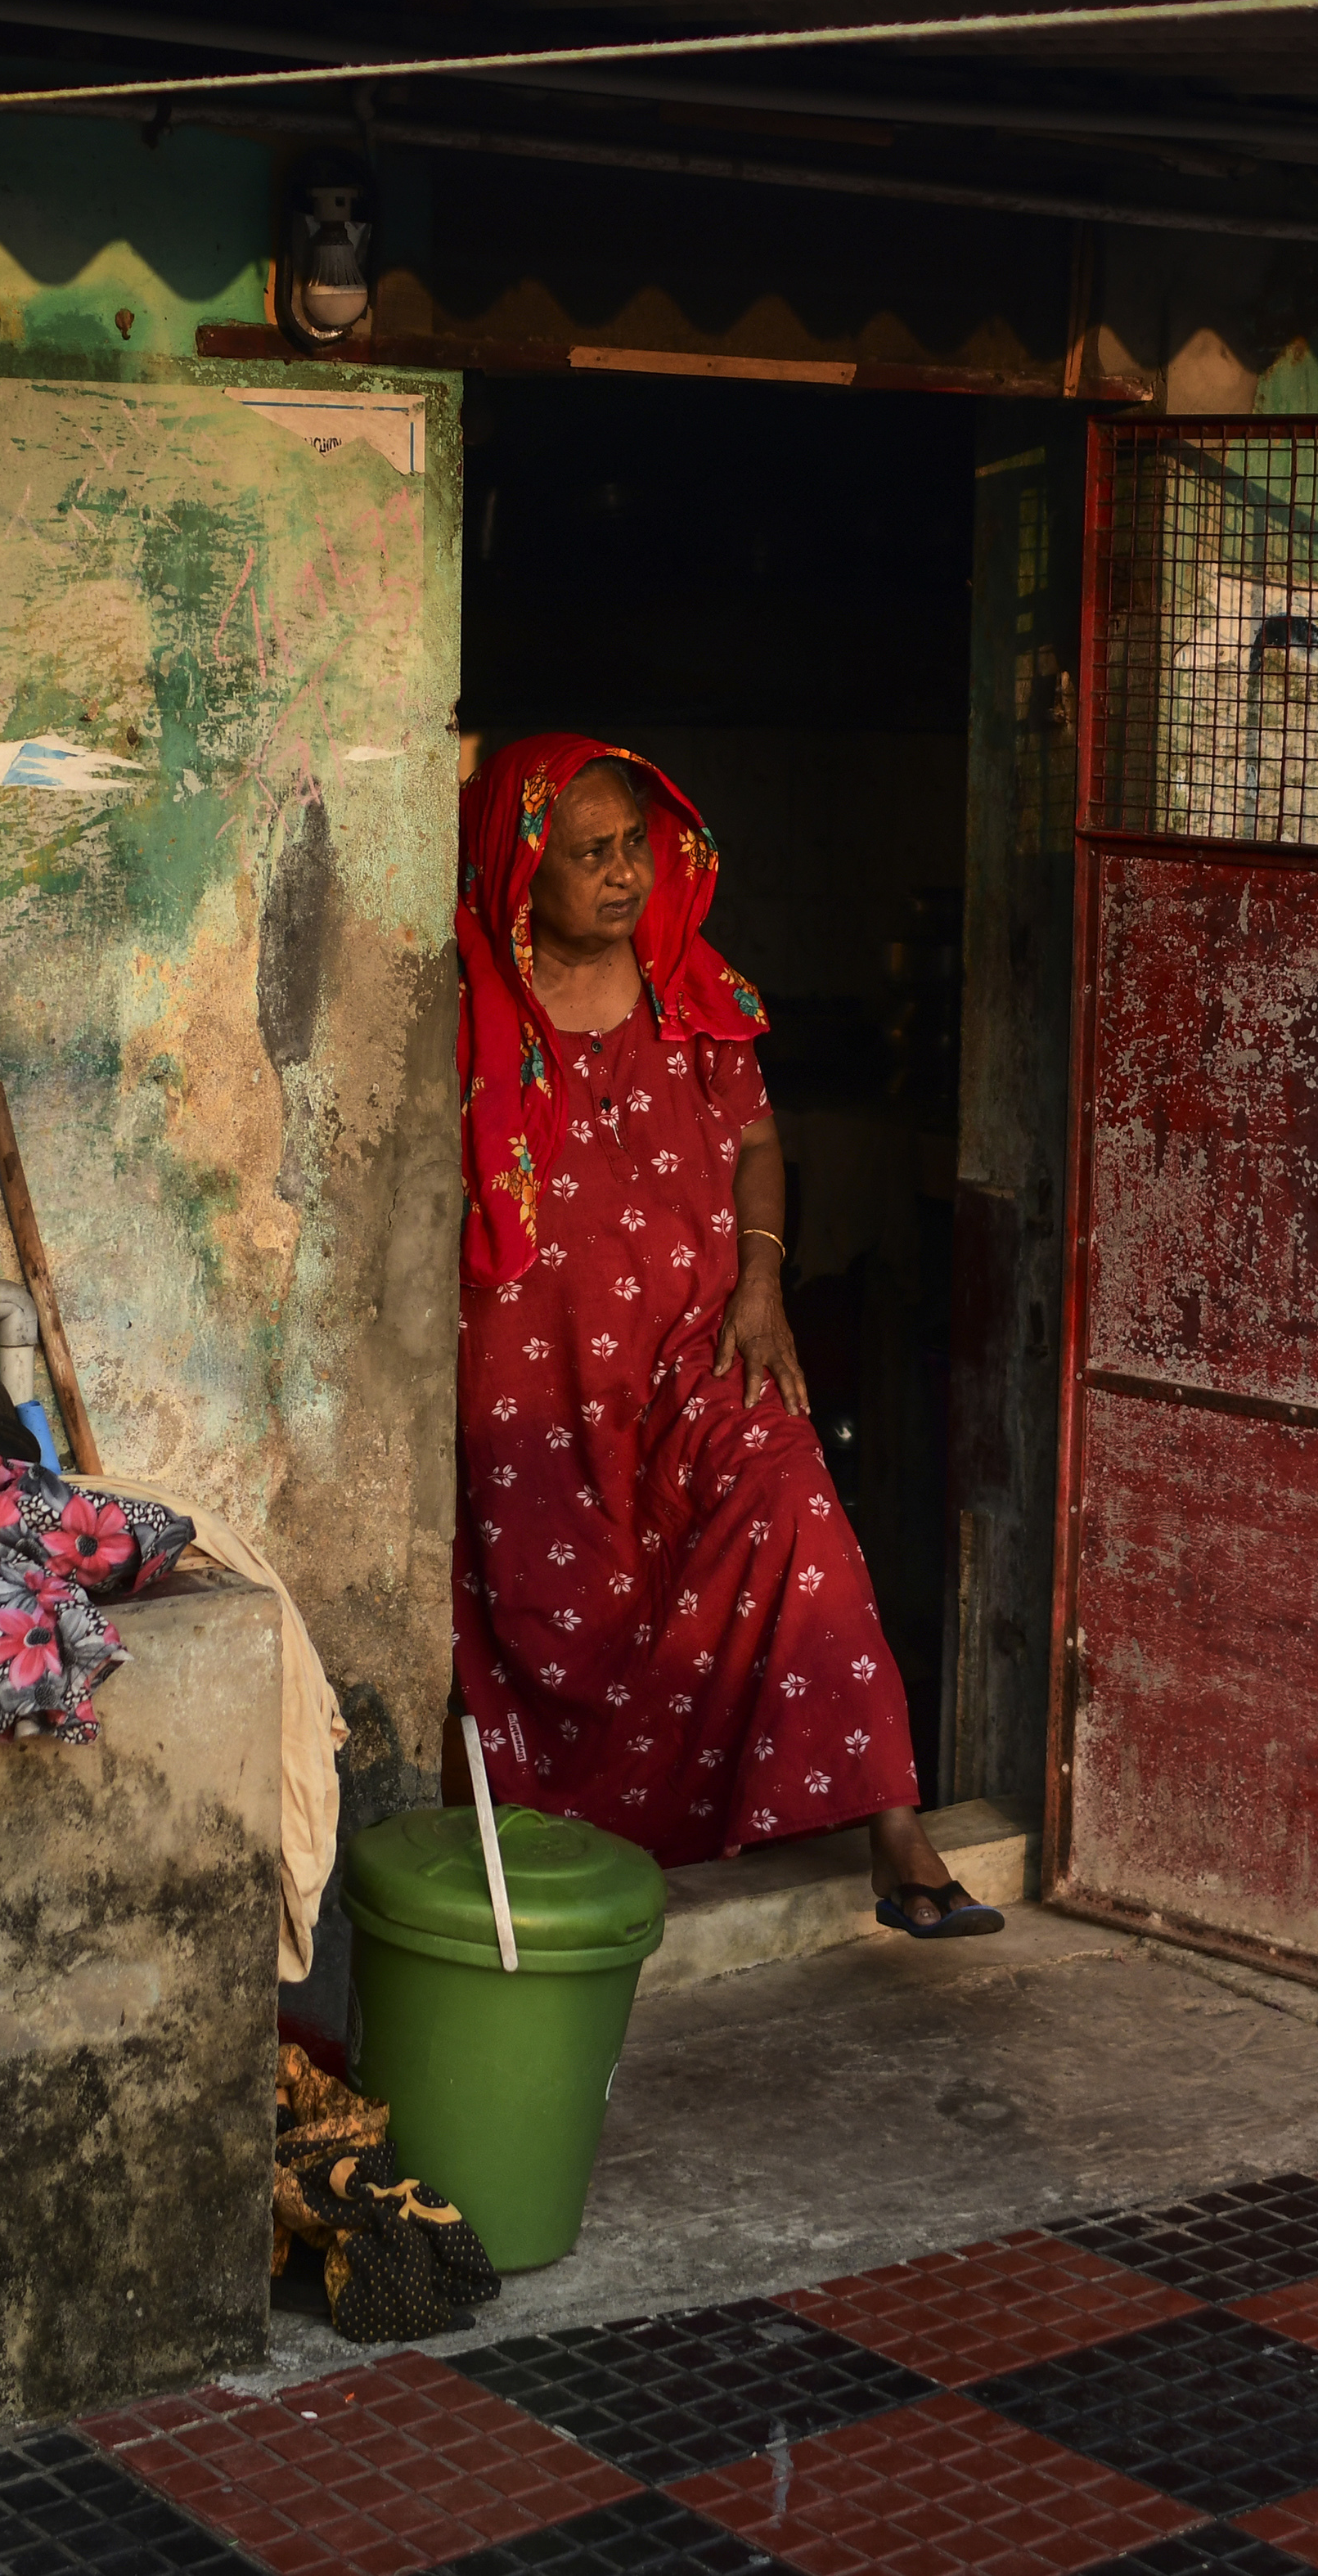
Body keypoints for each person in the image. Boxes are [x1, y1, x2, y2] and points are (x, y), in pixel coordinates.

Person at [449, 734, 992, 1935]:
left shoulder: (693, 991)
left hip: (701, 1352)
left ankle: (895, 1827)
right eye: (589, 853)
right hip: (539, 1405)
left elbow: (754, 1142)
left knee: (793, 1484)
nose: (624, 873)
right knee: (554, 1622)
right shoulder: (465, 1006)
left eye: (632, 844)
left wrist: (762, 1281)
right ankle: (578, 1873)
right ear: (521, 868)